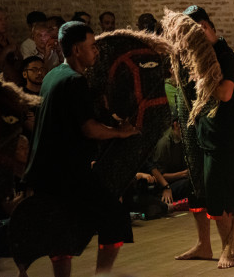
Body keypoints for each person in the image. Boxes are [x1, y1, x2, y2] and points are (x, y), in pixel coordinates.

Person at [23, 21, 139, 277]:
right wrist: (120, 132)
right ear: (76, 50)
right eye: (92, 45)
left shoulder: (52, 75)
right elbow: (89, 129)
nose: (96, 51)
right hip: (66, 173)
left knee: (61, 230)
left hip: (43, 172)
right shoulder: (75, 81)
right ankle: (103, 275)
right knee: (114, 217)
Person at [175, 6, 234, 268]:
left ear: (211, 28)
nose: (198, 36)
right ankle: (204, 245)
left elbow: (225, 93)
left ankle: (229, 248)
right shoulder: (191, 57)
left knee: (220, 198)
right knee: (199, 191)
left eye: (201, 29)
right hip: (203, 133)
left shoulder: (224, 55)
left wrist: (201, 74)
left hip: (225, 136)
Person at [0, 6, 19, 79]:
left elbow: (19, 62)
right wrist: (6, 50)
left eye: (5, 19)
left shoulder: (8, 39)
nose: (4, 23)